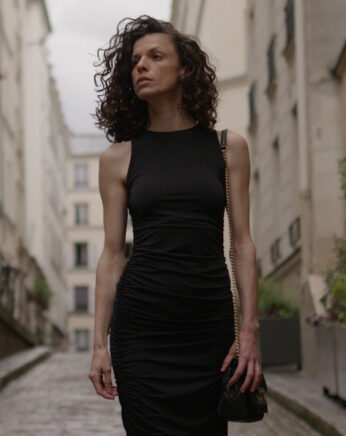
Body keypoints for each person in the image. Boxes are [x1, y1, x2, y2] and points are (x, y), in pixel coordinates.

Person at [86, 16, 264, 435]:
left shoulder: (227, 147)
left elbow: (241, 244)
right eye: (134, 61)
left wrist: (250, 329)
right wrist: (99, 345)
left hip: (208, 326)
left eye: (155, 56)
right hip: (142, 328)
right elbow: (112, 256)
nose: (141, 66)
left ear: (185, 69)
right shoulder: (118, 158)